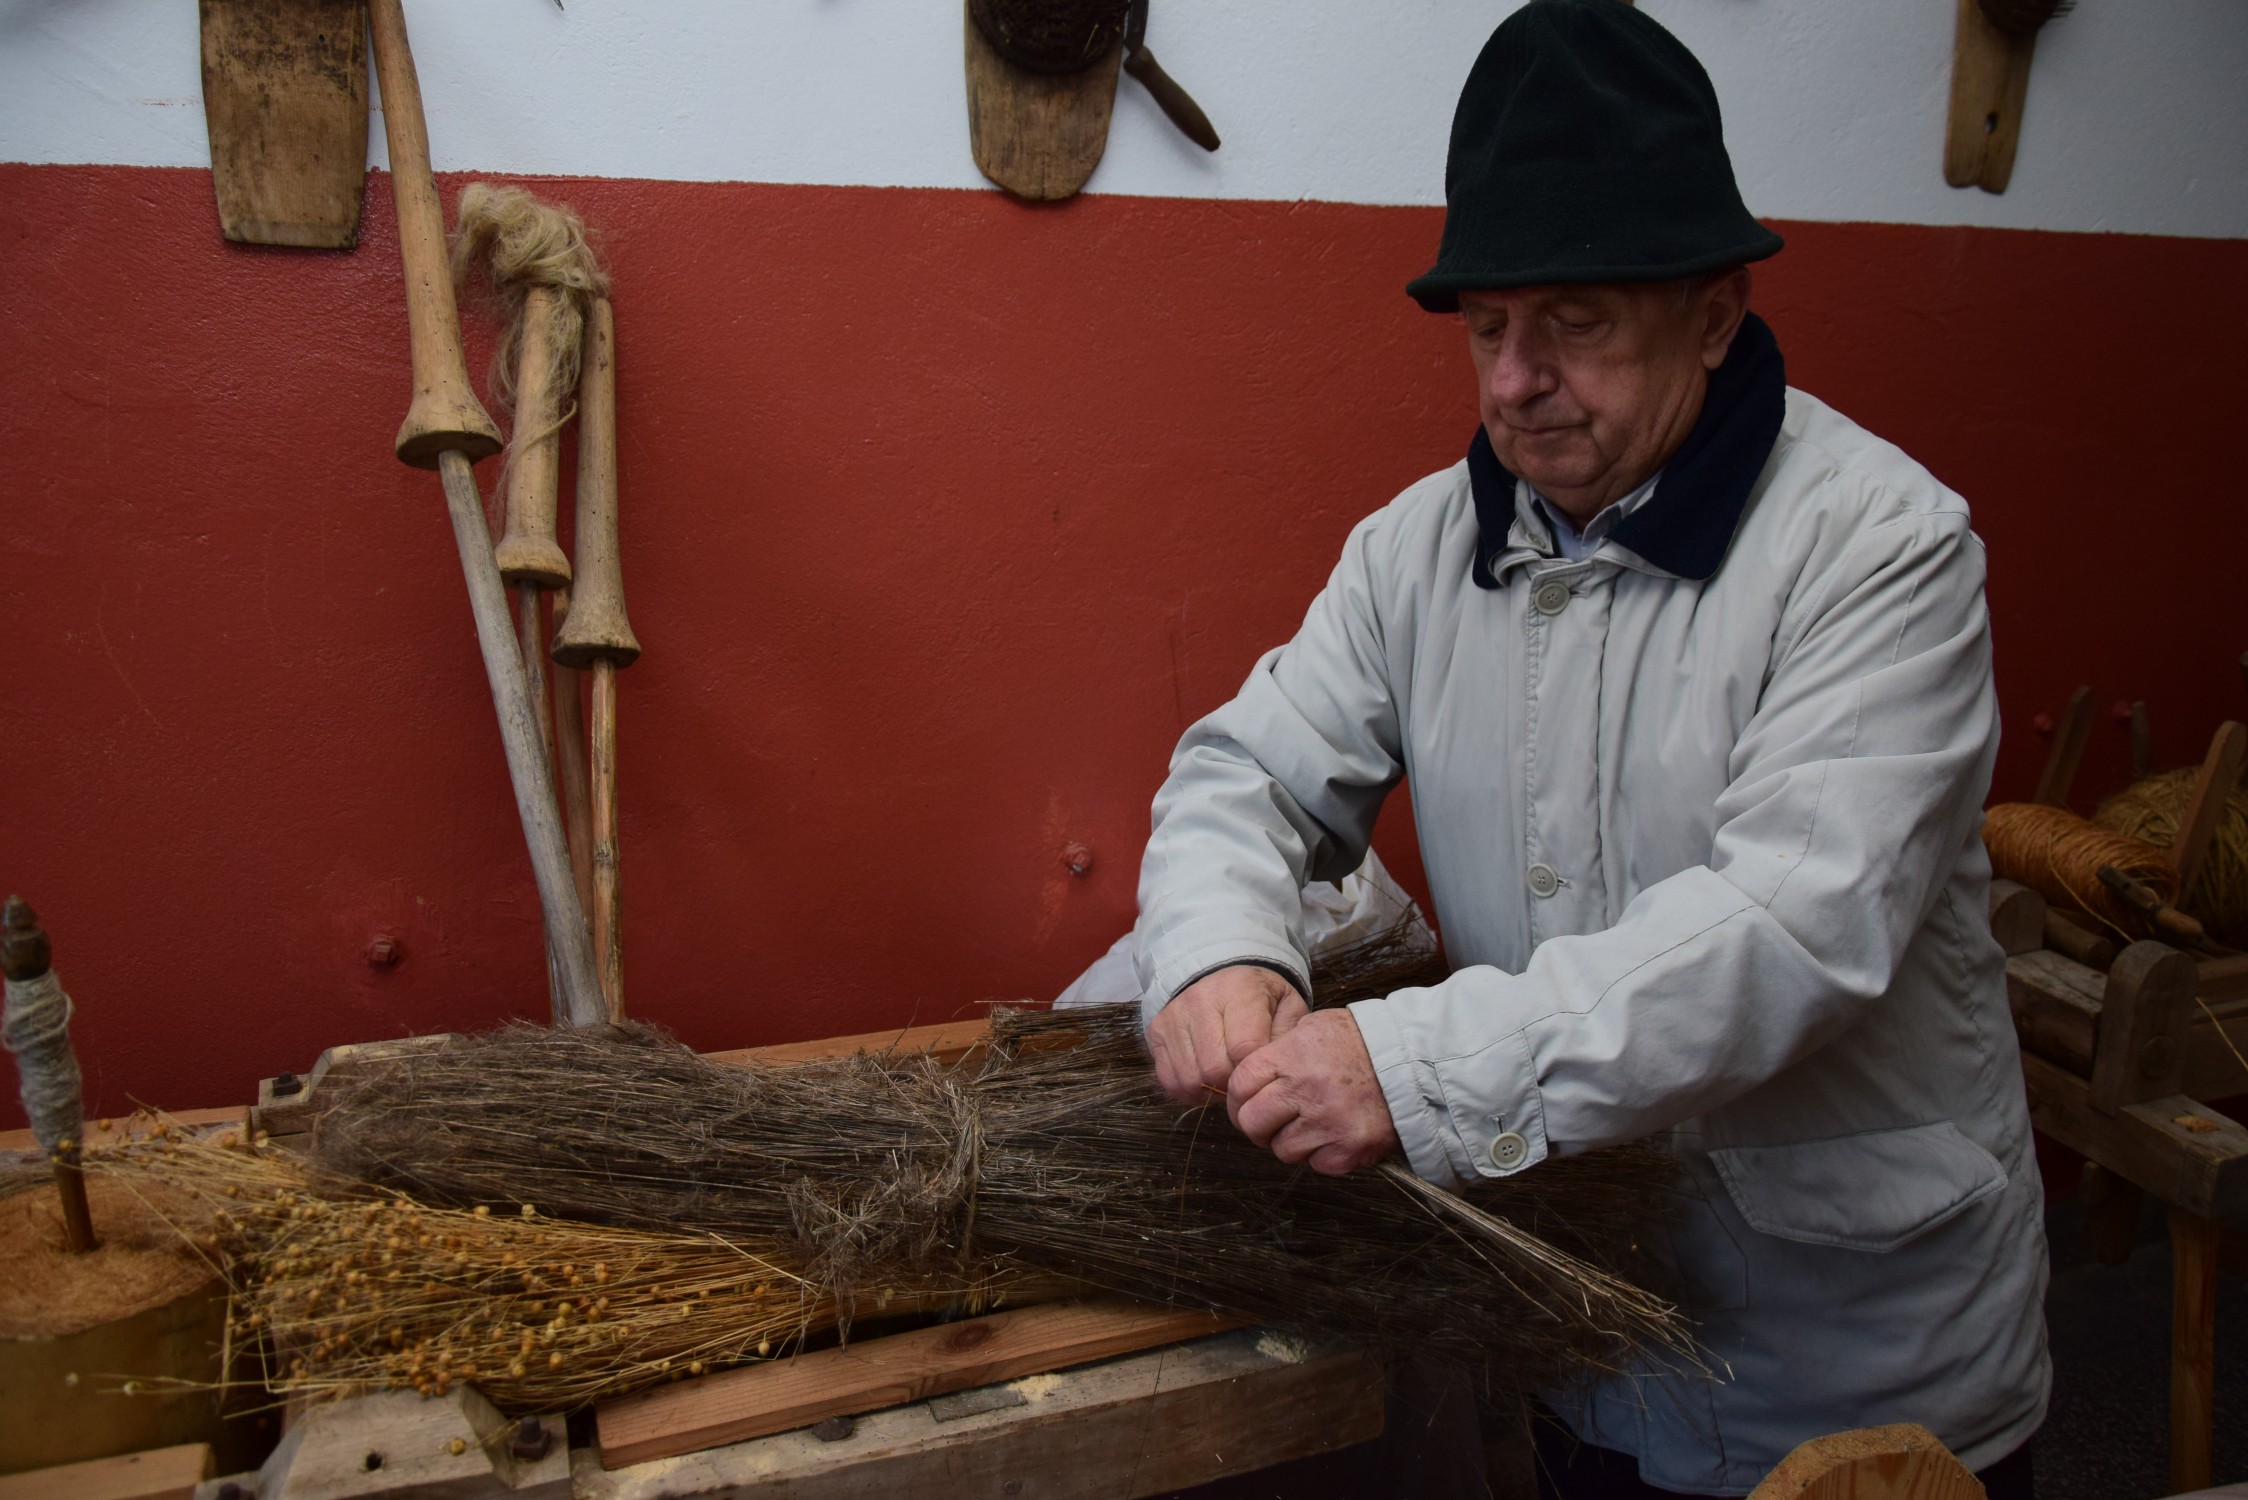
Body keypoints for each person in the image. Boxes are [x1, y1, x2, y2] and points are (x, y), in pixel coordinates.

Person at [1127, 3, 2049, 1495]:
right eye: (1488, 327)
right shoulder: (1419, 548)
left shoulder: (1882, 549)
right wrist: (1220, 949)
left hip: (1850, 1367)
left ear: (1713, 311)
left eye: (1575, 322)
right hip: (1582, 1337)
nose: (1511, 381)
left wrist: (1417, 1068)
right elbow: (1249, 771)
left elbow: (1794, 924)